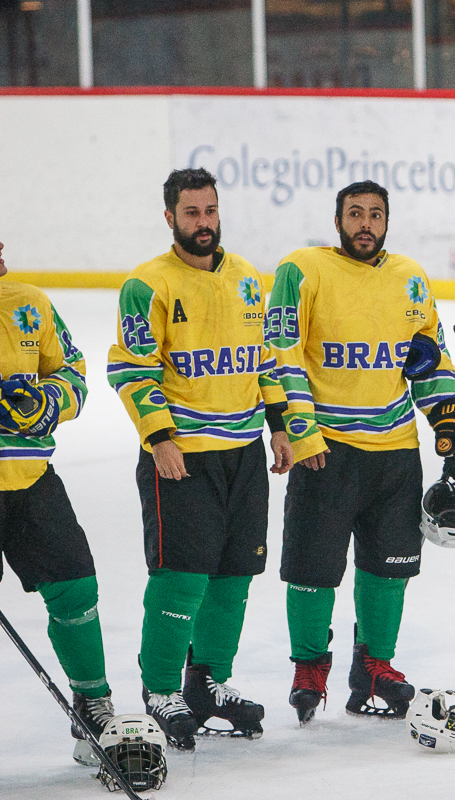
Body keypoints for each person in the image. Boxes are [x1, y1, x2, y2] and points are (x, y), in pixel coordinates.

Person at [268, 180, 455, 723]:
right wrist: (302, 430)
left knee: (390, 568)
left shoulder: (409, 277)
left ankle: (374, 666)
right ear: (337, 221)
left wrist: (447, 417)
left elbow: (426, 360)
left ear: (387, 221)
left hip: (393, 452)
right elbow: (280, 353)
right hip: (326, 452)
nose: (365, 223)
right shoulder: (302, 270)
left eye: (375, 215)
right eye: (355, 214)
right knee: (312, 570)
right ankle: (309, 667)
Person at [107, 167, 293, 750]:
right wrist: (158, 437)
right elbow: (130, 369)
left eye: (210, 211)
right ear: (170, 218)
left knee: (234, 575)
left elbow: (265, 359)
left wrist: (281, 425)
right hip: (182, 457)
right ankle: (160, 687)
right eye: (192, 213)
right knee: (181, 576)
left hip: (242, 454)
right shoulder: (147, 285)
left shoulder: (245, 277)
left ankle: (208, 680)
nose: (204, 222)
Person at [0, 239, 115, 764]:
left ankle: (92, 701)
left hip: (30, 480)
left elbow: (72, 373)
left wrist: (46, 403)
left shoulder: (29, 303)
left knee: (75, 586)